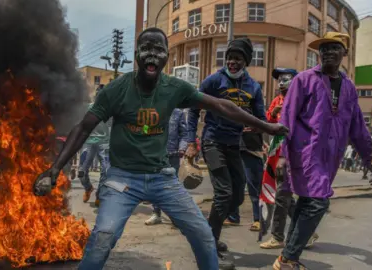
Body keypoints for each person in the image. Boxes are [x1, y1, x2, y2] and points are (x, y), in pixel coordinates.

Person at [33, 27, 288, 270]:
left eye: (159, 50)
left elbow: (224, 106)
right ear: (136, 56)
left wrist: (266, 126)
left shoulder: (175, 88)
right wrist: (54, 169)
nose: (152, 55)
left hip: (162, 177)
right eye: (146, 49)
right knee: (103, 237)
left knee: (203, 235)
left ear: (167, 56)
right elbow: (83, 127)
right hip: (122, 178)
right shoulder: (116, 90)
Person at [273, 32, 372, 270]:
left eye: (335, 48)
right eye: (325, 48)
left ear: (345, 54)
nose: (329, 52)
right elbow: (286, 118)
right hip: (304, 152)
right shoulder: (303, 80)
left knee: (305, 204)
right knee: (318, 203)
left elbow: (359, 130)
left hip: (331, 158)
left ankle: (286, 255)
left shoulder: (350, 88)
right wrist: (282, 156)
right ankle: (288, 258)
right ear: (319, 54)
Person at [186, 36, 266, 269]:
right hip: (212, 142)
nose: (232, 62)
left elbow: (260, 117)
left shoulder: (253, 87)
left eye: (237, 59)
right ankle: (209, 243)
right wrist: (191, 141)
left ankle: (210, 235)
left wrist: (258, 129)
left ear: (246, 61)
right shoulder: (213, 81)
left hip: (235, 145)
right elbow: (193, 110)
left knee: (237, 196)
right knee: (223, 193)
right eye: (229, 58)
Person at [259, 68, 319, 250]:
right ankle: (307, 232)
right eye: (279, 80)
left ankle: (278, 236)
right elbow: (267, 122)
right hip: (275, 153)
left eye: (286, 79)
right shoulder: (277, 101)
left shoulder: (302, 101)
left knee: (282, 196)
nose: (281, 83)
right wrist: (274, 112)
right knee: (286, 198)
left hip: (290, 156)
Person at [145, 108, 187, 225]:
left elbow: (184, 134)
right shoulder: (152, 111)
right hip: (155, 154)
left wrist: (182, 148)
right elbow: (145, 129)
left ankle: (175, 215)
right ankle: (156, 213)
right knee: (155, 184)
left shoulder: (178, 113)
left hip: (172, 155)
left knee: (172, 186)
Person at [78, 85, 111, 207]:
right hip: (88, 142)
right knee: (81, 171)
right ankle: (88, 188)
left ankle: (99, 194)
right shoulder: (87, 108)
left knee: (107, 170)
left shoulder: (110, 110)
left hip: (104, 143)